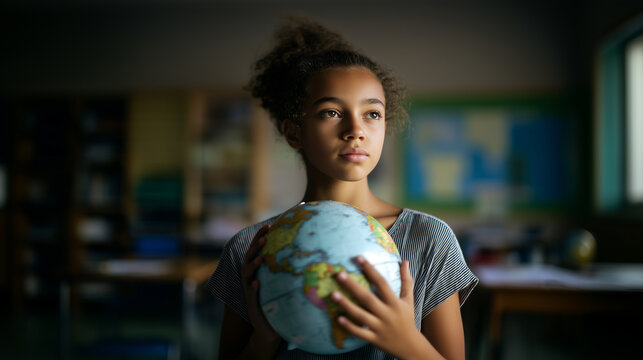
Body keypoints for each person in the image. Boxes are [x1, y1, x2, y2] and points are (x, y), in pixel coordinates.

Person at [207, 16, 478, 360]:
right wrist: (263, 340)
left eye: (372, 114)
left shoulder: (429, 238)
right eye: (331, 112)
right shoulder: (250, 248)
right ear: (294, 133)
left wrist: (406, 341)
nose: (355, 130)